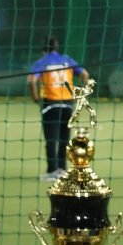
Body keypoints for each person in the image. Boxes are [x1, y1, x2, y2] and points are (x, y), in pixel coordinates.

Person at [28, 37, 89, 181]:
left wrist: (35, 97)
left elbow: (31, 81)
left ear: (44, 50)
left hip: (51, 104)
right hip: (67, 104)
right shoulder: (66, 60)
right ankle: (62, 170)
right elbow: (85, 74)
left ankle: (52, 171)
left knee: (51, 139)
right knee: (64, 139)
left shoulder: (42, 62)